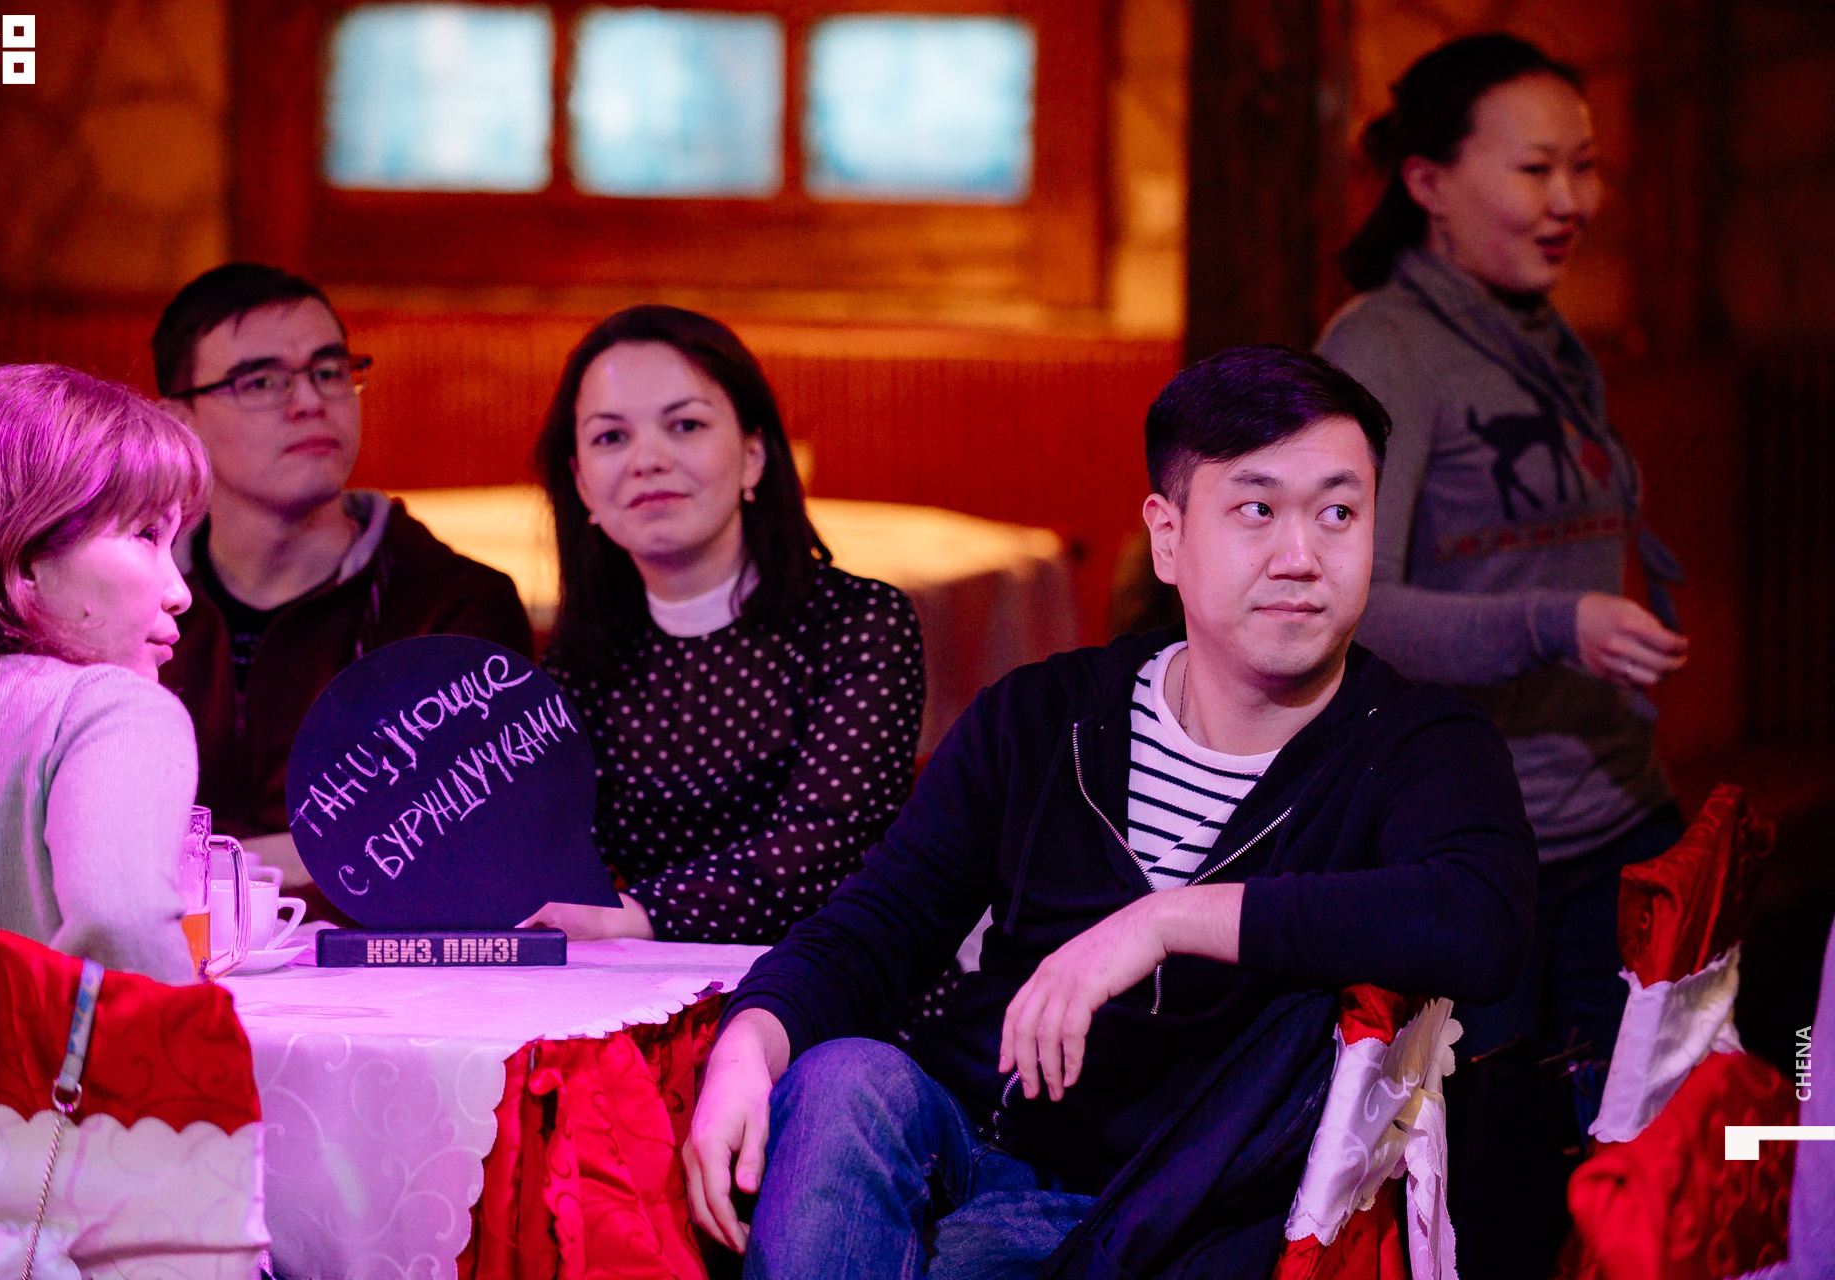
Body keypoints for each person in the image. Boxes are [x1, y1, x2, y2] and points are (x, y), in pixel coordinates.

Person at [683, 346, 1537, 1277]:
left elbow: (1478, 921)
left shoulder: (1416, 745)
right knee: (841, 1080)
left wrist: (1166, 921)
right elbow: (878, 928)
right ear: (1167, 537)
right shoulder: (1044, 717)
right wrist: (748, 1045)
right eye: (1256, 510)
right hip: (976, 1152)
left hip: (1190, 1216)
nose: (1301, 557)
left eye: (1339, 513)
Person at [1315, 34, 1688, 1069]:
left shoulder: (1543, 338)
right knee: (1497, 1155)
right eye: (1535, 169)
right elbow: (1349, 600)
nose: (1572, 201)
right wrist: (1554, 623)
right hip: (1472, 843)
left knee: (1654, 1132)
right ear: (1428, 182)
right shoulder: (1382, 347)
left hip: (1619, 812)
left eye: (1586, 166)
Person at [525, 304, 925, 944]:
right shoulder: (579, 663)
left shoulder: (859, 625)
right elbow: (555, 858)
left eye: (685, 425)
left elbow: (824, 850)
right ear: (581, 482)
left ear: (753, 455)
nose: (647, 460)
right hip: (650, 985)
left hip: (838, 980)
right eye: (610, 438)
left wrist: (636, 914)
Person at [152, 263, 533, 906]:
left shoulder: (453, 605)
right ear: (177, 422)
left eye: (329, 371)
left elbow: (454, 846)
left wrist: (193, 863)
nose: (309, 401)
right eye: (261, 381)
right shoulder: (135, 602)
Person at [0, 364, 210, 984]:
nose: (179, 592)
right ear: (25, 557)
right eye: (146, 534)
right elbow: (122, 923)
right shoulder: (112, 709)